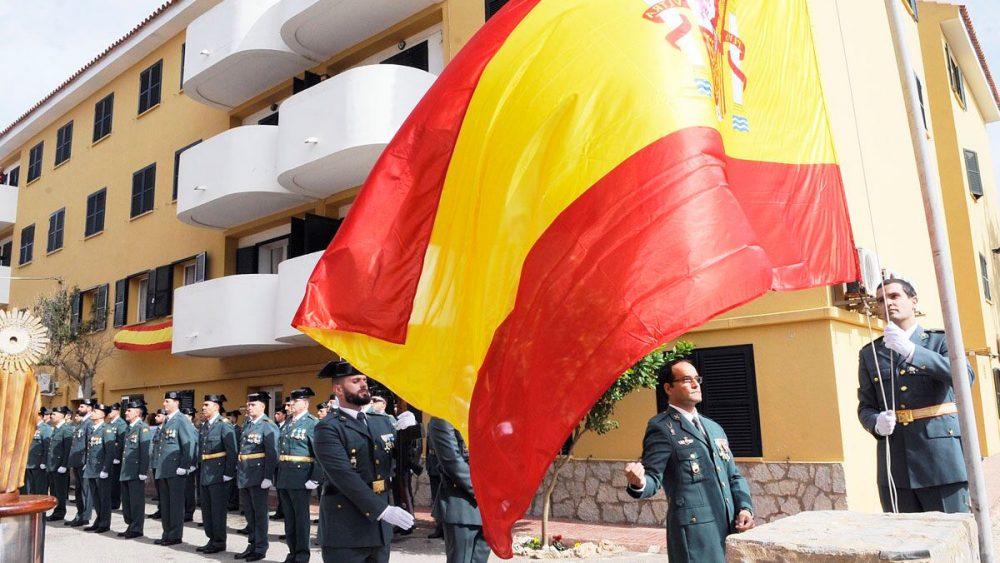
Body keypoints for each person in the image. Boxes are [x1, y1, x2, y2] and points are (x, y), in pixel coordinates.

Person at [858, 278, 972, 513]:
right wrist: (875, 423)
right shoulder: (870, 353)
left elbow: (964, 377)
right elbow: (866, 407)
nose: (888, 303)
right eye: (881, 300)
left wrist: (912, 352)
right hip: (895, 466)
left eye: (894, 296)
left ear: (913, 301)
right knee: (905, 542)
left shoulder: (940, 340)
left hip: (941, 462)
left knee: (952, 537)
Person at [625, 358, 754, 562]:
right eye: (687, 379)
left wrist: (745, 507)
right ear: (668, 388)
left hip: (728, 527)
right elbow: (652, 476)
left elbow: (733, 475)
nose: (695, 384)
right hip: (695, 534)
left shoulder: (714, 428)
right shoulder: (662, 428)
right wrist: (639, 483)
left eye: (697, 379)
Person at [313, 360, 413, 563]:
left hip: (379, 530)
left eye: (365, 380)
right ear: (338, 389)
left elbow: (401, 463)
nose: (363, 384)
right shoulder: (328, 428)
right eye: (356, 380)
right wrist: (382, 510)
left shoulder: (381, 422)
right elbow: (344, 476)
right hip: (346, 529)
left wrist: (410, 434)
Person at [427, 416, 490, 562]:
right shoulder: (443, 418)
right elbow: (452, 463)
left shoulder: (481, 414)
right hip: (461, 506)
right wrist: (484, 492)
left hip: (487, 509)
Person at [277, 387, 322, 563]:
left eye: (295, 401)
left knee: (301, 520)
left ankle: (302, 555)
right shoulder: (288, 422)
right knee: (289, 519)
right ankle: (292, 552)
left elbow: (319, 453)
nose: (291, 405)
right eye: (290, 401)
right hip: (285, 476)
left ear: (305, 403)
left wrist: (315, 477)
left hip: (302, 477)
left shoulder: (313, 423)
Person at [151, 391, 198, 546]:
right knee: (165, 504)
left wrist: (185, 466)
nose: (164, 404)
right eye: (164, 401)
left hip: (175, 470)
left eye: (167, 401)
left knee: (175, 504)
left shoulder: (181, 420)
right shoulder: (167, 421)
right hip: (164, 469)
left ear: (176, 403)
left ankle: (175, 535)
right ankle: (167, 533)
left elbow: (189, 443)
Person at [237, 391, 279, 562]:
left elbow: (273, 452)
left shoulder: (268, 425)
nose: (249, 407)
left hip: (259, 475)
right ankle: (252, 544)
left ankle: (261, 547)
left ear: (262, 406)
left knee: (260, 514)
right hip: (245, 474)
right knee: (249, 513)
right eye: (248, 404)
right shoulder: (247, 424)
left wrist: (268, 476)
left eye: (252, 404)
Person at [197, 394, 237, 555]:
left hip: (219, 473)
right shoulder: (205, 426)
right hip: (206, 472)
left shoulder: (224, 425)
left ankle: (219, 541)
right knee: (207, 509)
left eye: (207, 404)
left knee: (218, 510)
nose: (204, 407)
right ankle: (211, 538)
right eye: (204, 405)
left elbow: (232, 451)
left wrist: (228, 473)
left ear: (216, 407)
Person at [83, 403, 118, 533]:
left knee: (104, 498)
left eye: (95, 411)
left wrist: (106, 469)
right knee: (96, 497)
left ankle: (104, 523)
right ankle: (98, 520)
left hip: (101, 469)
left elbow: (110, 452)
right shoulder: (93, 429)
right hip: (92, 469)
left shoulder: (106, 429)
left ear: (103, 414)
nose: (92, 413)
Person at [118, 399, 151, 538]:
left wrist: (143, 471)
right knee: (127, 501)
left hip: (136, 472)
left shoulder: (142, 428)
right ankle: (130, 525)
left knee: (136, 502)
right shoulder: (128, 428)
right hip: (126, 470)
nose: (126, 412)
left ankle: (137, 528)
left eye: (129, 410)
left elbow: (145, 450)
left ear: (137, 413)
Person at [66, 400, 95, 527]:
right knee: (78, 490)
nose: (79, 408)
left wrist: (87, 462)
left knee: (85, 491)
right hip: (77, 462)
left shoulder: (89, 423)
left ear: (89, 408)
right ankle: (79, 514)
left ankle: (85, 516)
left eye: (82, 406)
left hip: (83, 462)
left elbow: (90, 444)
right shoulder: (81, 423)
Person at [47, 406, 74, 522]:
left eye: (54, 414)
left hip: (60, 466)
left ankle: (60, 512)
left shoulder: (66, 429)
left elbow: (68, 449)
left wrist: (64, 465)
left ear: (62, 415)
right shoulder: (56, 429)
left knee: (60, 491)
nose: (52, 416)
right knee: (54, 491)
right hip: (53, 465)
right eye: (51, 414)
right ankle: (56, 511)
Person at [24, 408, 51, 494]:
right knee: (29, 489)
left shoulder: (45, 428)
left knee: (39, 488)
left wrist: (44, 461)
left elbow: (47, 446)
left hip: (38, 463)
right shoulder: (29, 427)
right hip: (28, 462)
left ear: (40, 416)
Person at [107, 403, 128, 510]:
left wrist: (117, 457)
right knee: (109, 480)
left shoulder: (121, 424)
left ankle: (115, 502)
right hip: (109, 456)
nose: (109, 413)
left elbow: (121, 442)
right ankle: (109, 500)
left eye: (111, 411)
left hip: (116, 457)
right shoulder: (109, 423)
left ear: (117, 411)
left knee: (115, 481)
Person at [148, 408, 167, 519]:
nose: (156, 418)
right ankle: (161, 510)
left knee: (164, 490)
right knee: (159, 490)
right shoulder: (158, 430)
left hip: (162, 465)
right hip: (156, 464)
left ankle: (164, 511)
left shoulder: (166, 429)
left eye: (159, 416)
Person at [226, 409, 243, 512]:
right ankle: (229, 501)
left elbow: (239, 446)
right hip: (228, 459)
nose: (228, 420)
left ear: (235, 418)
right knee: (229, 483)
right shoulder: (227, 428)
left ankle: (234, 503)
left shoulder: (239, 430)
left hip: (236, 459)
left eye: (230, 418)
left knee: (234, 484)